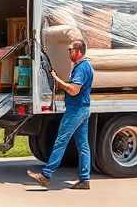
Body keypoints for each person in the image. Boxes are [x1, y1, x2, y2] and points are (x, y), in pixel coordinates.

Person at [27, 39, 93, 190]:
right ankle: (84, 180)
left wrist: (57, 80)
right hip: (83, 108)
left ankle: (46, 175)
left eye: (71, 50)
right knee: (83, 146)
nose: (68, 52)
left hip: (76, 111)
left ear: (79, 52)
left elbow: (74, 90)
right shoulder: (84, 66)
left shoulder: (82, 68)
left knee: (61, 141)